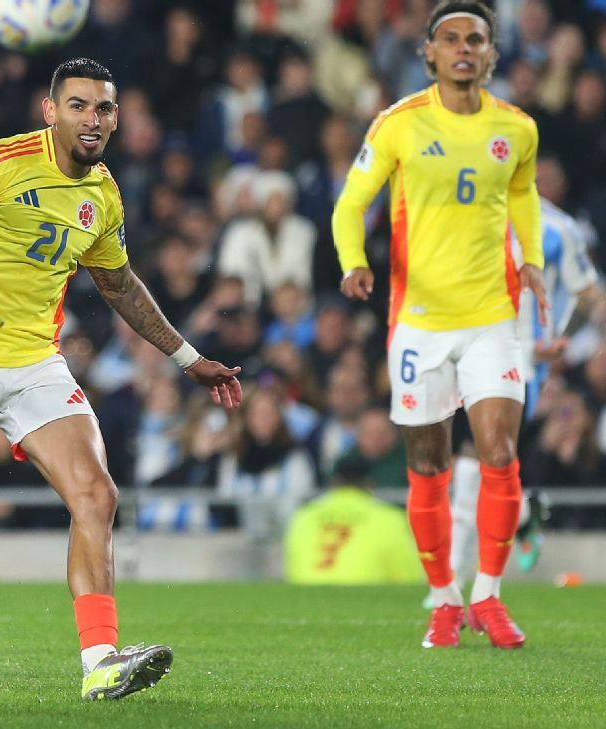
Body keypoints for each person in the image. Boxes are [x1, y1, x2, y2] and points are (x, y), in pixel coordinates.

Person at [0, 58, 243, 700]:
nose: (92, 119)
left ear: (117, 119)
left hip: (36, 362)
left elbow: (116, 281)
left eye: (104, 109)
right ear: (50, 110)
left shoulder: (103, 195)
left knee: (97, 495)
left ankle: (100, 664)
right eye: (80, 106)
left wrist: (186, 357)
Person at [331, 1, 547, 649]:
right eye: (449, 38)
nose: (462, 48)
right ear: (428, 53)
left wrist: (530, 259)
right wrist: (353, 262)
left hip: (492, 318)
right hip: (419, 323)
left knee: (499, 453)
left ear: (491, 54)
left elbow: (521, 194)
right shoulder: (398, 124)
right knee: (426, 462)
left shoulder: (518, 128)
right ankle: (444, 599)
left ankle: (488, 593)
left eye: (475, 39)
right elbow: (349, 205)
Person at [445, 193, 602, 585]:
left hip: (522, 360)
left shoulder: (559, 228)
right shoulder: (468, 216)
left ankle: (457, 580)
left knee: (479, 461)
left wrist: (560, 340)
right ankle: (518, 520)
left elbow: (587, 294)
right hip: (468, 351)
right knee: (469, 463)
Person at [284, 453, 421, 585]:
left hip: (308, 594)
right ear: (370, 483)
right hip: (367, 597)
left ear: (333, 482)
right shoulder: (390, 518)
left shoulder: (304, 516)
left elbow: (293, 569)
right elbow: (409, 577)